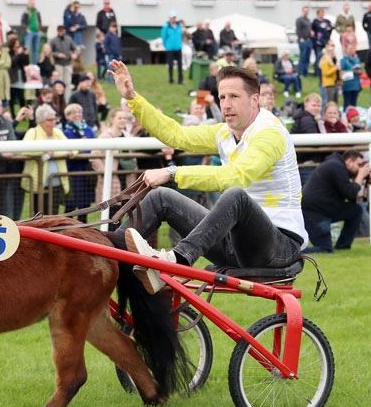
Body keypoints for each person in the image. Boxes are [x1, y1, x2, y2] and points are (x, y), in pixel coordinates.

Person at [108, 61, 307, 294]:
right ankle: (104, 257)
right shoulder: (225, 132)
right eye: (222, 97)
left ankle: (178, 261)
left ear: (255, 100)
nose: (227, 105)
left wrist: (172, 173)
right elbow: (176, 135)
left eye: (234, 96)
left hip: (279, 246)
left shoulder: (270, 134)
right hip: (238, 243)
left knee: (236, 195)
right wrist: (133, 98)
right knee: (160, 197)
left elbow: (235, 177)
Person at [302, 150, 371, 253]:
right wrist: (359, 177)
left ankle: (343, 247)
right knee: (325, 249)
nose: (360, 169)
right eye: (359, 165)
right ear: (349, 161)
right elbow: (350, 193)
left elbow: (352, 198)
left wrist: (363, 180)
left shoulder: (337, 166)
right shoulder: (336, 166)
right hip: (315, 214)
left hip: (326, 209)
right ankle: (293, 253)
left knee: (355, 210)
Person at [21, 105, 74, 215]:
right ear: (41, 121)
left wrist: (70, 153)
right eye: (50, 120)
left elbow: (72, 147)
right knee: (38, 214)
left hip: (57, 181)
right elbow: (24, 149)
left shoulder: (58, 132)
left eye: (55, 119)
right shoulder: (32, 132)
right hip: (38, 182)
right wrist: (44, 152)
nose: (54, 122)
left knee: (53, 213)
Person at [61, 103, 96, 219]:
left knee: (84, 209)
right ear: (67, 116)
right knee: (70, 207)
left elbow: (94, 148)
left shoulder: (89, 130)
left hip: (87, 173)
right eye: (73, 112)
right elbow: (69, 150)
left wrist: (83, 149)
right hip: (73, 172)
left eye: (79, 112)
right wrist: (82, 146)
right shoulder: (66, 132)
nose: (77, 114)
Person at [291, 93, 323, 186]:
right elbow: (314, 141)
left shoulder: (304, 117)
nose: (316, 108)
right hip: (305, 162)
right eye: (313, 105)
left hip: (302, 160)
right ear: (306, 106)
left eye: (319, 106)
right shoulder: (307, 119)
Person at [49, 26, 77, 101]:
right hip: (58, 64)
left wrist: (75, 54)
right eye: (59, 31)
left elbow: (74, 49)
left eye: (62, 31)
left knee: (68, 82)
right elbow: (50, 51)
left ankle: (68, 100)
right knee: (59, 82)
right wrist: (57, 54)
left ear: (64, 31)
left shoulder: (68, 39)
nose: (61, 32)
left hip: (68, 63)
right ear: (57, 31)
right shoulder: (53, 40)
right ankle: (59, 99)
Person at [8, 38, 29, 115]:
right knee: (12, 97)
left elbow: (26, 63)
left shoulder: (20, 53)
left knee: (21, 97)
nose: (17, 45)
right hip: (13, 77)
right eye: (16, 43)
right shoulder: (9, 53)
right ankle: (12, 114)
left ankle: (23, 114)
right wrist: (18, 54)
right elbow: (12, 62)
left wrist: (26, 54)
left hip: (20, 77)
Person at [162, 11, 183, 85]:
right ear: (169, 18)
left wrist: (180, 44)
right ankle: (171, 80)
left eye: (174, 17)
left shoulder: (179, 25)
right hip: (170, 48)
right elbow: (164, 38)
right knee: (170, 64)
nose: (173, 19)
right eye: (171, 17)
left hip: (178, 48)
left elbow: (181, 36)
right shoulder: (166, 27)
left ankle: (180, 80)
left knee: (180, 64)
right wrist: (167, 46)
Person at [312, 9, 333, 79]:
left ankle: (324, 70)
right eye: (320, 13)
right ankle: (317, 72)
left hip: (326, 43)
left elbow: (332, 26)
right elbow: (318, 28)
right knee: (318, 57)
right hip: (318, 43)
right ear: (318, 14)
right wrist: (325, 28)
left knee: (326, 57)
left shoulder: (327, 21)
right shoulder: (315, 21)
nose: (322, 14)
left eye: (323, 13)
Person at [340, 44, 362, 110]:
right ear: (346, 50)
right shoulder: (343, 59)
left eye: (352, 49)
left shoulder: (357, 59)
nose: (351, 50)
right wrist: (351, 70)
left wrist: (359, 71)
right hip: (347, 84)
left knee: (354, 103)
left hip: (355, 84)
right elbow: (341, 71)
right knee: (347, 103)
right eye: (349, 49)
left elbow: (360, 69)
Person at [21, 0, 43, 64]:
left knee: (36, 49)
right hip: (29, 32)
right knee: (27, 49)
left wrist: (40, 29)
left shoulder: (37, 11)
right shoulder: (26, 11)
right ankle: (26, 63)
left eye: (33, 3)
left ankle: (35, 64)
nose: (32, 4)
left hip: (37, 32)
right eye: (31, 3)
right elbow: (22, 22)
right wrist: (26, 29)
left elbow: (40, 21)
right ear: (29, 4)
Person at [296, 6, 314, 77]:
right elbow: (298, 29)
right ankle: (301, 72)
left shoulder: (308, 20)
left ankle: (306, 72)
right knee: (302, 56)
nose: (306, 12)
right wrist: (301, 38)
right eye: (305, 11)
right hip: (303, 40)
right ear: (302, 11)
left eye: (307, 11)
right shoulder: (299, 20)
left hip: (309, 40)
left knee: (307, 57)